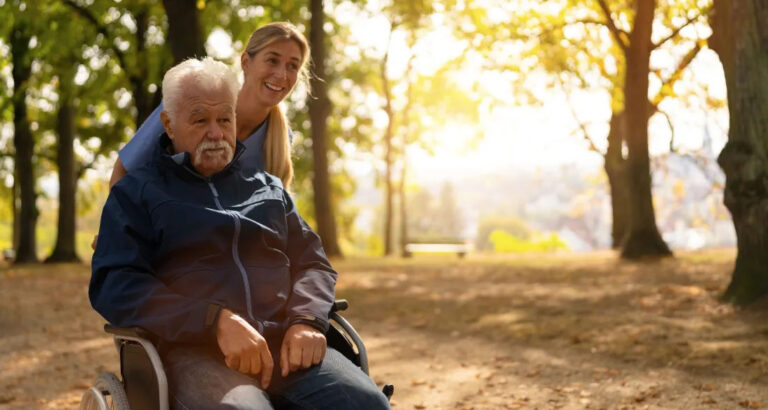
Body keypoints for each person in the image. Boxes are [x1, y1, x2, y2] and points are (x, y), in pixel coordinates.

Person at [90, 58, 390, 409]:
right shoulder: (136, 194)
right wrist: (214, 321)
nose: (216, 133)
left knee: (367, 403)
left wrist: (306, 320)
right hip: (192, 354)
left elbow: (313, 264)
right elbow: (115, 284)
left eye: (224, 119)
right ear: (168, 125)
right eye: (200, 120)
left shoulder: (269, 191)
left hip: (285, 345)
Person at [110, 21, 304, 189]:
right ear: (246, 62)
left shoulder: (280, 137)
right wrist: (117, 229)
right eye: (272, 60)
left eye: (293, 66)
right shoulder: (190, 98)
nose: (281, 75)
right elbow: (123, 171)